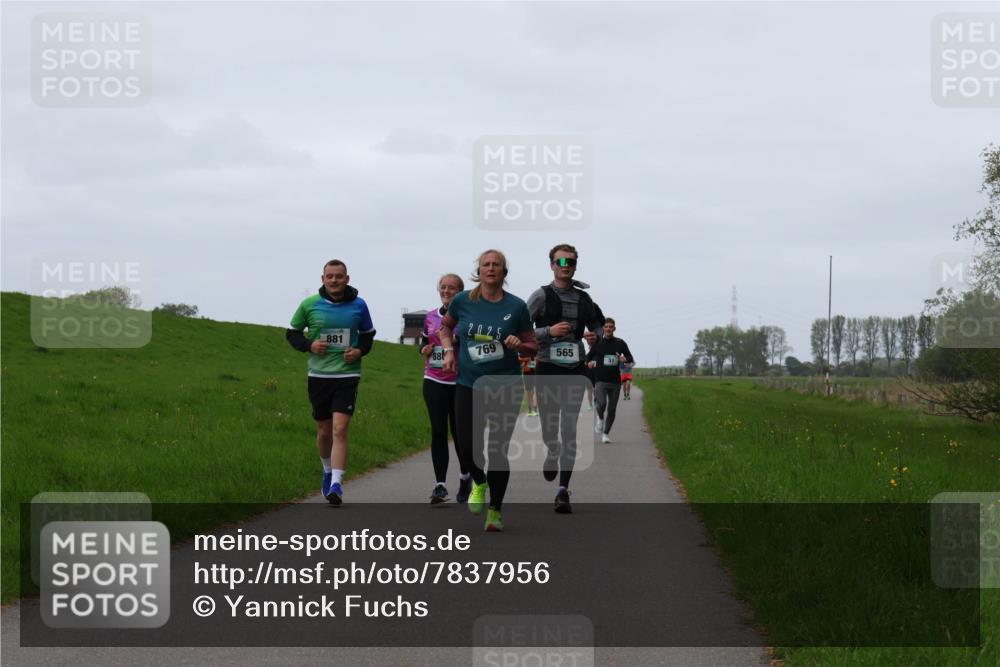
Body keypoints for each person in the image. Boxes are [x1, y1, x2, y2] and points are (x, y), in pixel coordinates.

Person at [439, 249, 537, 532]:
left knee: (498, 450)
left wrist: (520, 345)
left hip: (505, 385)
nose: (490, 268)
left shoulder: (517, 307)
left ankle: (495, 510)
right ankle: (479, 481)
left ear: (504, 272)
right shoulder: (462, 301)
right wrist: (448, 351)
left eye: (496, 265)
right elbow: (445, 328)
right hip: (468, 384)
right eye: (485, 265)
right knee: (467, 447)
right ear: (478, 271)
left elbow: (533, 346)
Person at [286, 259, 376, 506]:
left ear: (347, 278)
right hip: (319, 376)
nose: (334, 280)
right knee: (324, 430)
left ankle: (337, 482)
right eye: (330, 276)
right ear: (323, 279)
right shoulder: (309, 305)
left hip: (347, 375)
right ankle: (327, 470)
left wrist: (359, 351)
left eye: (339, 276)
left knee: (340, 429)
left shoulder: (359, 305)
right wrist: (309, 345)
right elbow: (292, 334)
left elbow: (368, 337)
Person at [526, 244, 604, 514]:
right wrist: (549, 331)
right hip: (547, 366)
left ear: (575, 265)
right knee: (550, 425)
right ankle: (551, 450)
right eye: (560, 260)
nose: (565, 265)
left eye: (570, 261)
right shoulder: (541, 296)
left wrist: (595, 336)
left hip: (574, 368)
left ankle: (562, 490)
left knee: (569, 426)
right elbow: (521, 330)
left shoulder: (584, 299)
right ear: (551, 265)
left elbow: (597, 324)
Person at [419, 273, 471, 505]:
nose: (446, 291)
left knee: (460, 433)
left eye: (452, 288)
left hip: (460, 382)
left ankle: (465, 477)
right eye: (443, 287)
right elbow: (424, 342)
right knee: (438, 431)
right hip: (434, 380)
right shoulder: (430, 317)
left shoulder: (468, 316)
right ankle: (440, 485)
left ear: (460, 292)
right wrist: (425, 350)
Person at [586, 318, 635, 443]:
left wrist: (625, 359)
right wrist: (589, 363)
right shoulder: (598, 343)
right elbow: (588, 357)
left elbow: (630, 357)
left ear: (614, 329)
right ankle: (600, 418)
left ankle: (606, 434)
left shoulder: (620, 343)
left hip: (615, 382)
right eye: (606, 326)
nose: (608, 329)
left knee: (612, 409)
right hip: (600, 380)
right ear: (603, 328)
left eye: (611, 327)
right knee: (601, 404)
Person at [519, 351, 539, 417]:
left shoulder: (523, 350)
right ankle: (534, 409)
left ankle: (531, 410)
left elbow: (520, 360)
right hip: (532, 371)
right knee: (533, 390)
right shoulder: (535, 348)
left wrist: (525, 361)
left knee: (529, 391)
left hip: (528, 372)